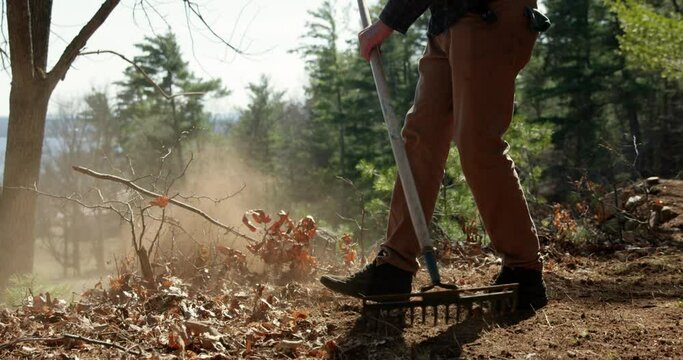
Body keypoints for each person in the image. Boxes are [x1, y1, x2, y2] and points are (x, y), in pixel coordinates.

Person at [320, 0, 548, 310]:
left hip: (487, 15)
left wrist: (385, 23)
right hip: (446, 21)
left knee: (478, 145)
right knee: (420, 139)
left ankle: (524, 272)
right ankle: (393, 269)